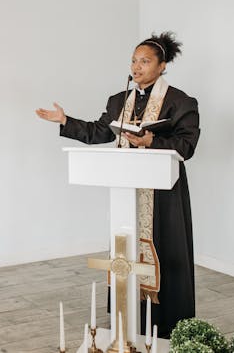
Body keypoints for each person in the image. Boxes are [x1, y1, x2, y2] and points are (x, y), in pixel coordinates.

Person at [35, 32, 200, 338]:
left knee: (167, 251)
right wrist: (64, 120)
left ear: (162, 66)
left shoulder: (180, 101)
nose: (137, 67)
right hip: (126, 191)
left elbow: (187, 146)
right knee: (126, 251)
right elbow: (100, 132)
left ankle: (168, 327)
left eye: (145, 61)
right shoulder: (119, 99)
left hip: (163, 196)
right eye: (134, 61)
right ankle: (128, 322)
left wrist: (152, 140)